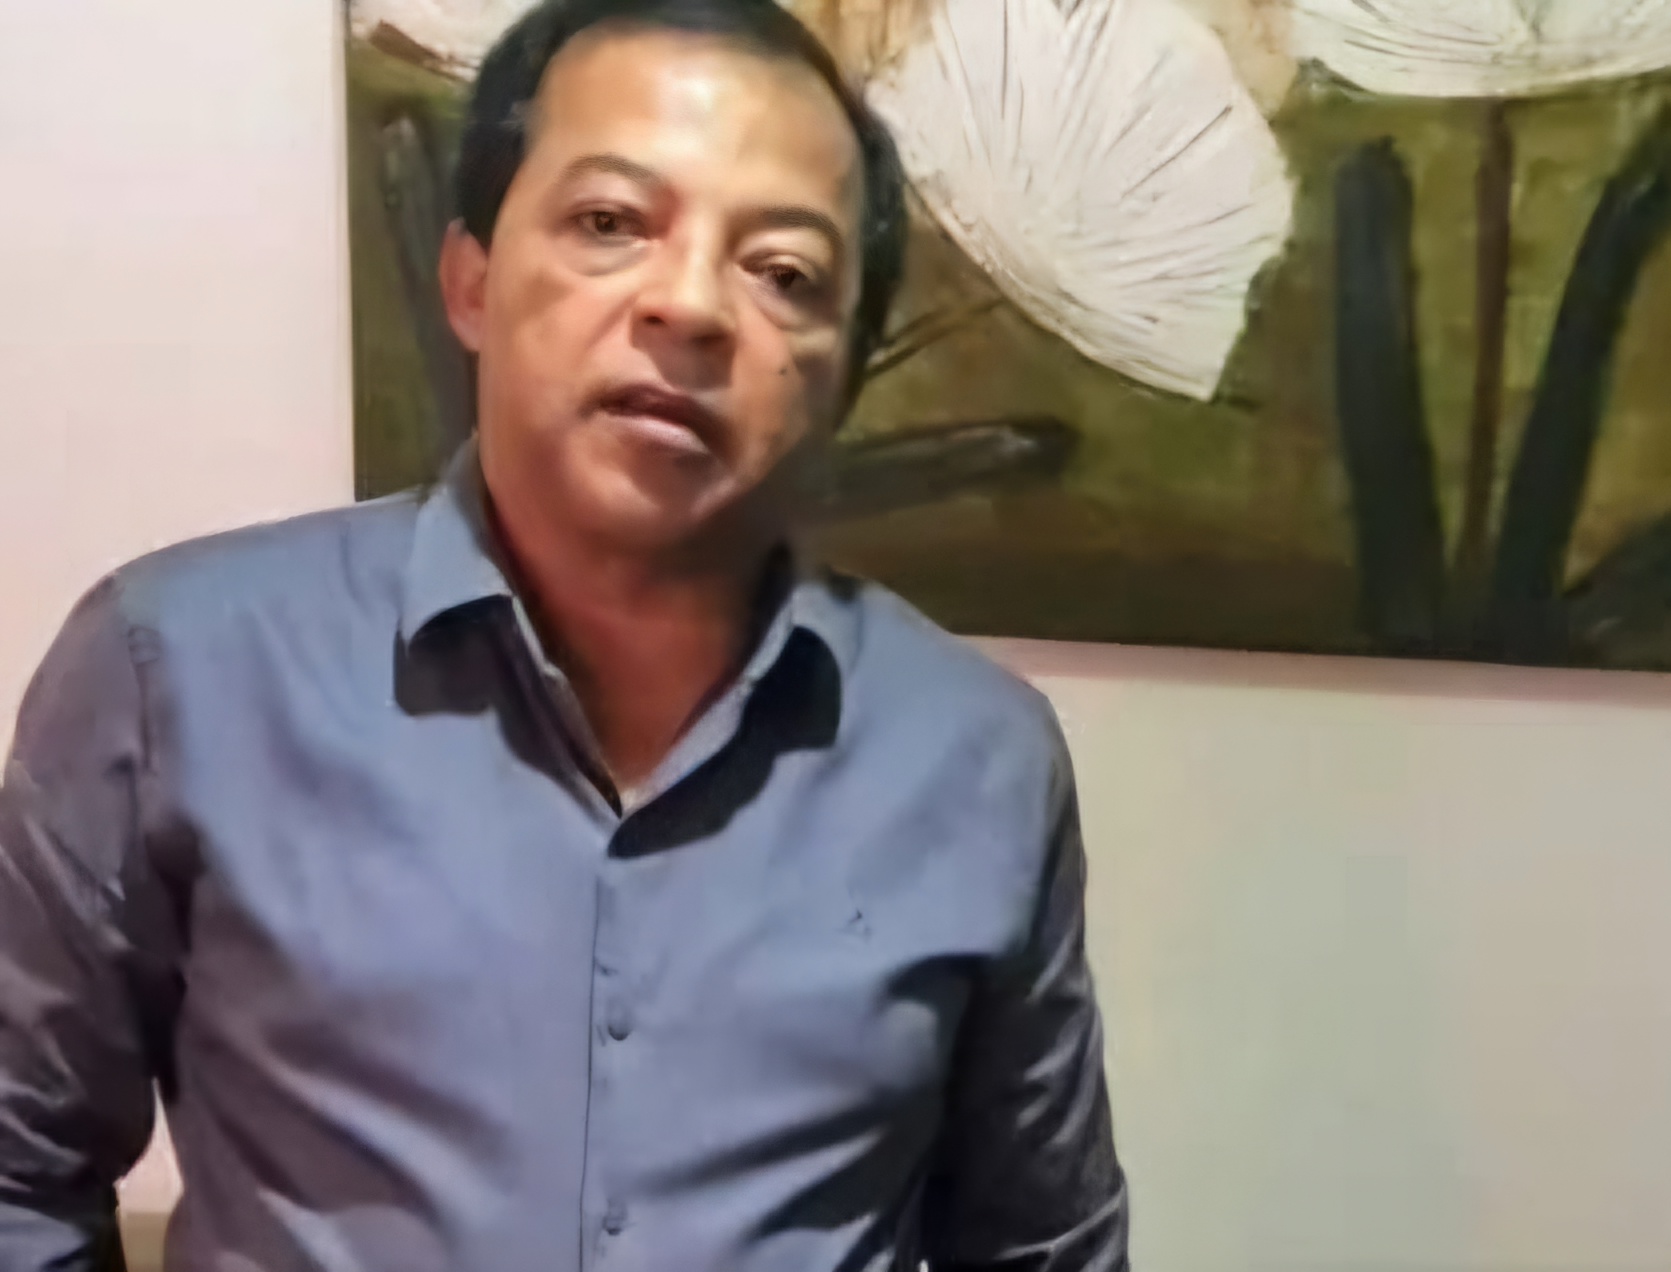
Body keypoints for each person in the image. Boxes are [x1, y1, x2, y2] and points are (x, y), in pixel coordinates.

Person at [0, 0, 1129, 1267]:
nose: (690, 306)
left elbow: (1040, 1246)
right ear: (471, 281)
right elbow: (16, 1173)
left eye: (784, 273)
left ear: (844, 374)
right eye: (610, 222)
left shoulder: (976, 761)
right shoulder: (177, 675)